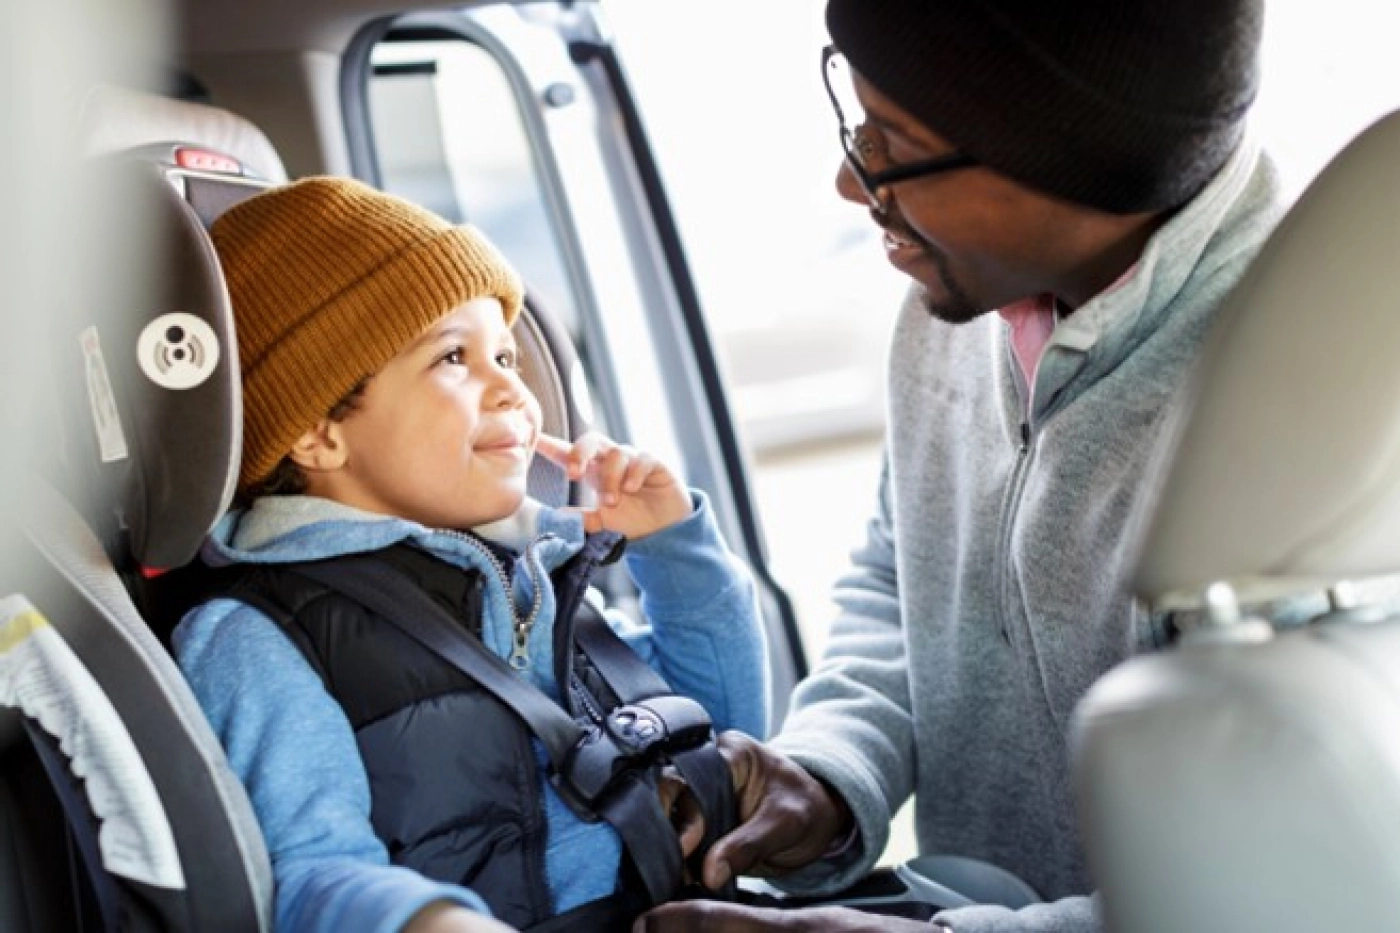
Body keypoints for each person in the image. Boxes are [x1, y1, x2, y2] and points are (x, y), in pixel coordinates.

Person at [638, 0, 1283, 931]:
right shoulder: (961, 303)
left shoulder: (1308, 417)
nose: (851, 183)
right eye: (855, 122)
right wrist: (829, 772)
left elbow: (1281, 885)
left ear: (1067, 158)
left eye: (892, 147)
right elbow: (903, 577)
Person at [168, 177, 769, 933]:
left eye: (507, 354)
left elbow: (729, 743)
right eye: (454, 357)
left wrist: (677, 553)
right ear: (318, 431)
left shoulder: (537, 575)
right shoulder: (259, 637)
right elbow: (310, 869)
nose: (512, 391)